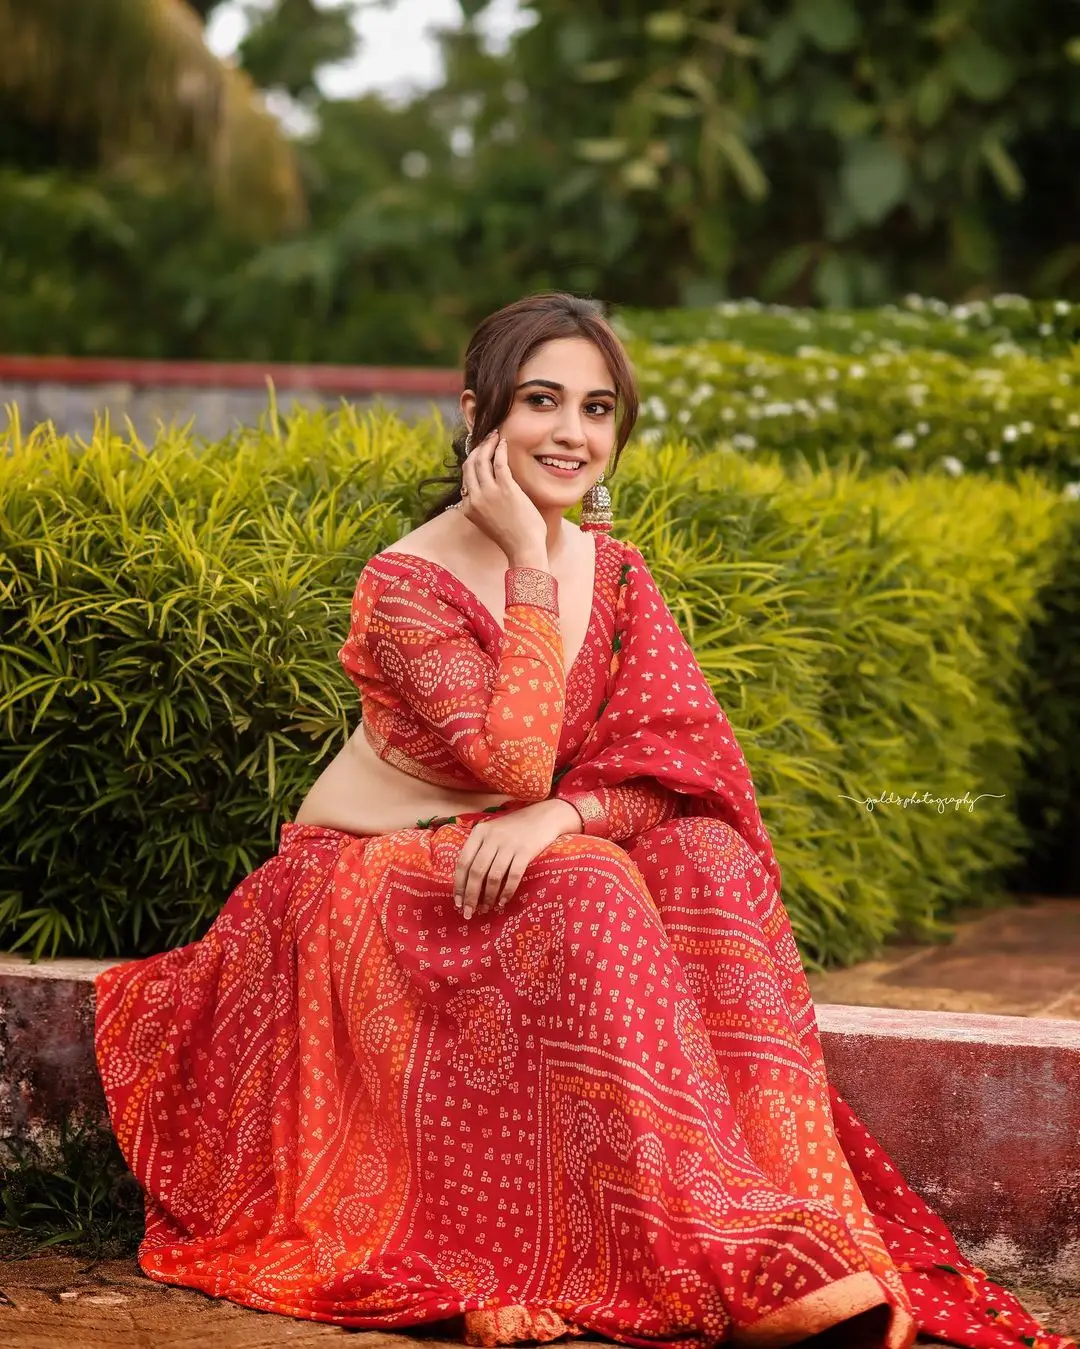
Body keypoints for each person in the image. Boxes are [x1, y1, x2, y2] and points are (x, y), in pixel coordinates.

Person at [93, 293, 1071, 1349]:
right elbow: (507, 754)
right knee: (590, 880)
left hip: (507, 848)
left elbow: (682, 765)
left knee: (704, 856)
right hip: (361, 880)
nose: (572, 432)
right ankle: (695, 1242)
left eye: (597, 408)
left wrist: (560, 810)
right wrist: (524, 561)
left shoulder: (613, 571)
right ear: (479, 415)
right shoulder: (407, 581)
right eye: (541, 401)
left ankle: (777, 1213)